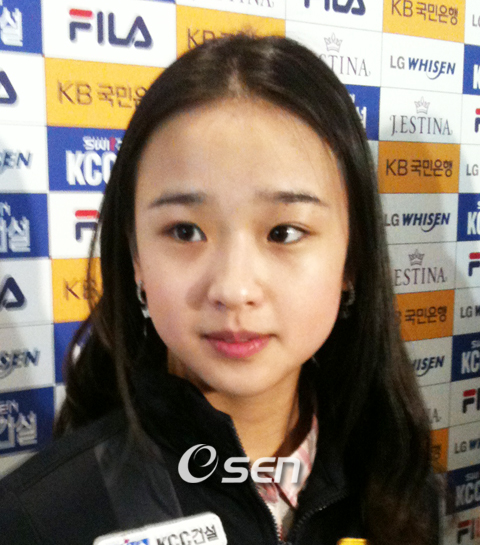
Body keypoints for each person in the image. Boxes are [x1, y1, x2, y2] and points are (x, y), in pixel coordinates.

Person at [0, 35, 439, 545]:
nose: (233, 289)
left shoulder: (395, 483)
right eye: (185, 231)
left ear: (352, 259)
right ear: (136, 257)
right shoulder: (38, 519)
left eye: (284, 232)